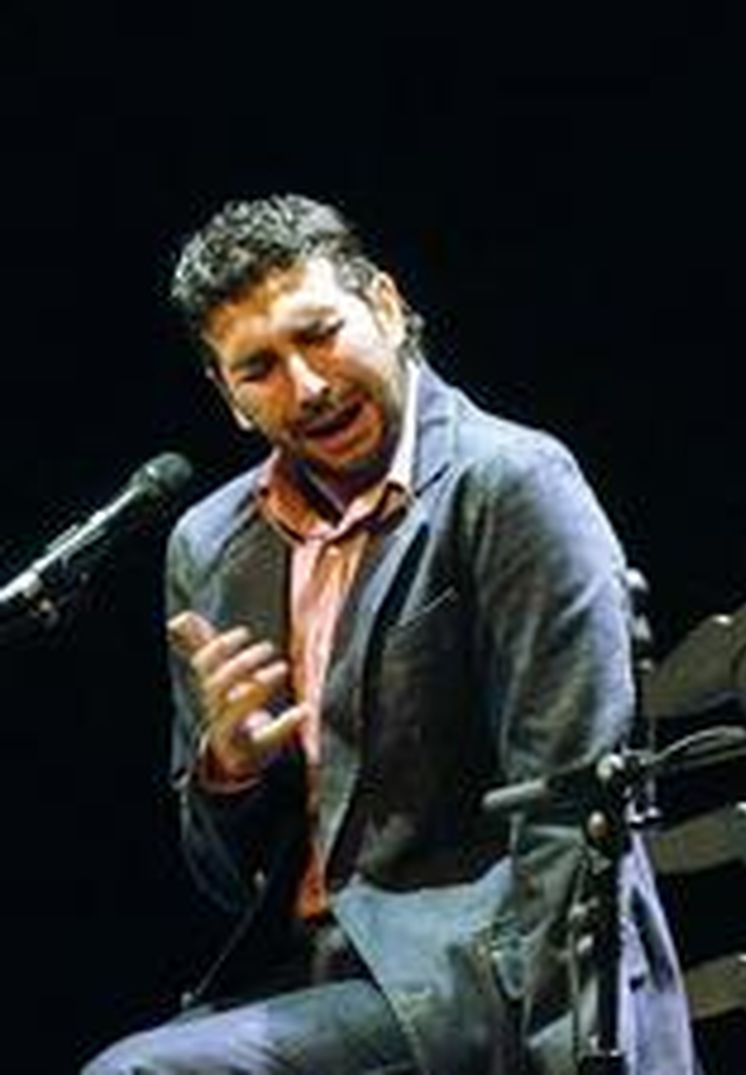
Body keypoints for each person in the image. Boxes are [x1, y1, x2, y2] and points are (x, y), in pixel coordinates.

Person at [84, 195, 696, 1074]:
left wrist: (578, 1057)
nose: (308, 386)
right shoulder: (212, 547)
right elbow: (225, 884)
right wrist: (230, 772)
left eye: (321, 332)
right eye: (259, 367)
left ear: (386, 304)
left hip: (485, 980)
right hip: (309, 982)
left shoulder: (509, 484)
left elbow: (572, 813)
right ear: (226, 395)